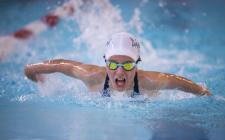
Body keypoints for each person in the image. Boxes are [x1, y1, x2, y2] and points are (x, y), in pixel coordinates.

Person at [24, 32, 211, 97]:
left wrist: (205, 93)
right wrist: (34, 76)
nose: (120, 71)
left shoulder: (150, 81)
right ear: (105, 64)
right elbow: (57, 65)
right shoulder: (91, 75)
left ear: (137, 65)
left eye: (128, 65)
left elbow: (182, 83)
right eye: (113, 64)